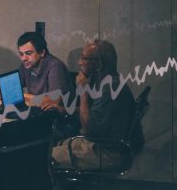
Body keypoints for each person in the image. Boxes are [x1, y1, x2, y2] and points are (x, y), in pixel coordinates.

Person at [51, 40, 136, 171]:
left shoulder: (108, 89)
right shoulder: (111, 82)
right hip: (104, 144)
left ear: (98, 65)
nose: (79, 63)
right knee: (56, 144)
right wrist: (65, 110)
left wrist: (84, 91)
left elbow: (89, 131)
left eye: (84, 59)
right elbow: (93, 114)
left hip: (108, 153)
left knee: (47, 155)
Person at [16, 32, 69, 112]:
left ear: (42, 52)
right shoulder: (26, 65)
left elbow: (54, 101)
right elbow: (6, 93)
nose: (24, 58)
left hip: (56, 118)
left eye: (28, 53)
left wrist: (21, 96)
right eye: (21, 54)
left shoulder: (55, 66)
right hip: (37, 111)